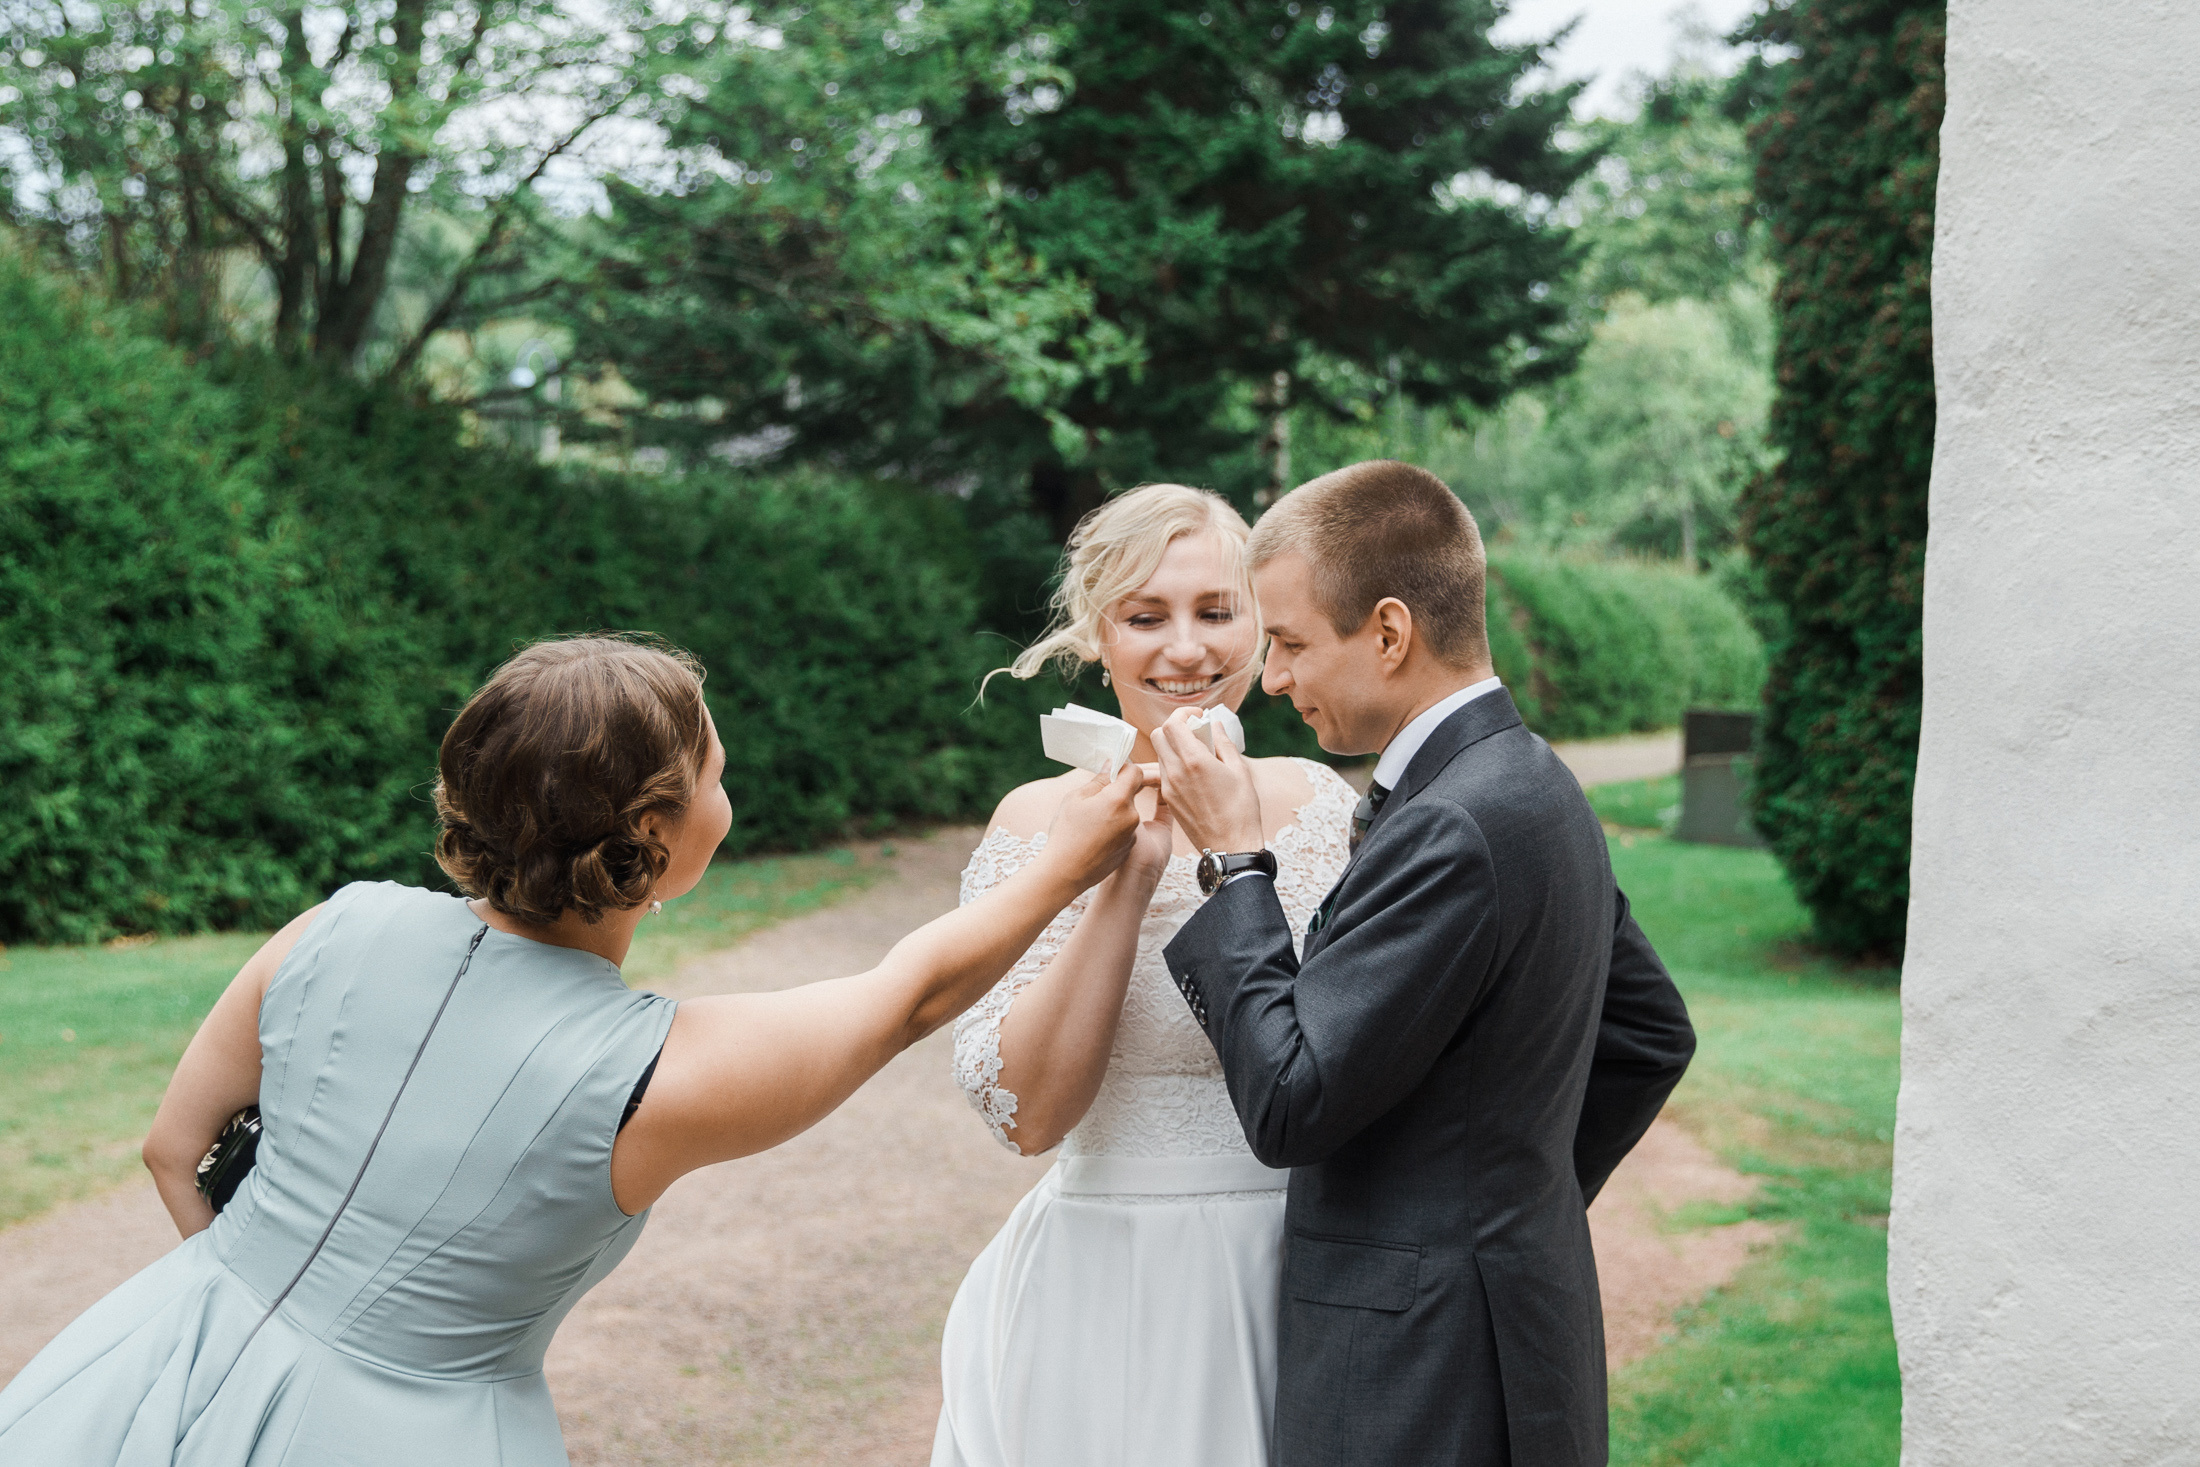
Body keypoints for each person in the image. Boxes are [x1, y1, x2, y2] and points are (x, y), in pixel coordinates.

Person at [0, 634, 1149, 1466]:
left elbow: (171, 1148)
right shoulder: (649, 1080)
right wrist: (1072, 857)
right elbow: (905, 997)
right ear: (654, 832)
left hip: (147, 1367)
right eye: (717, 776)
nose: (726, 795)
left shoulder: (334, 924)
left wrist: (253, 1313)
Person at [1151, 461, 1697, 1467]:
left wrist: (1231, 866)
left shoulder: (1451, 821)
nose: (1271, 678)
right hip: (1506, 1337)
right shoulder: (1533, 782)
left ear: (1390, 633)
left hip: (1418, 1373)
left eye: (1289, 642)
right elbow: (1651, 1035)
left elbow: (1289, 1102)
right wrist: (1506, 1219)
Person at [932, 485, 1358, 1467]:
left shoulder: (1323, 810)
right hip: (1101, 1287)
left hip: (1297, 1270)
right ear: (1097, 634)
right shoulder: (1032, 826)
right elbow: (1028, 1119)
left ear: (1260, 624)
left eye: (1217, 612)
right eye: (1146, 616)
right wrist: (1122, 878)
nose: (1188, 649)